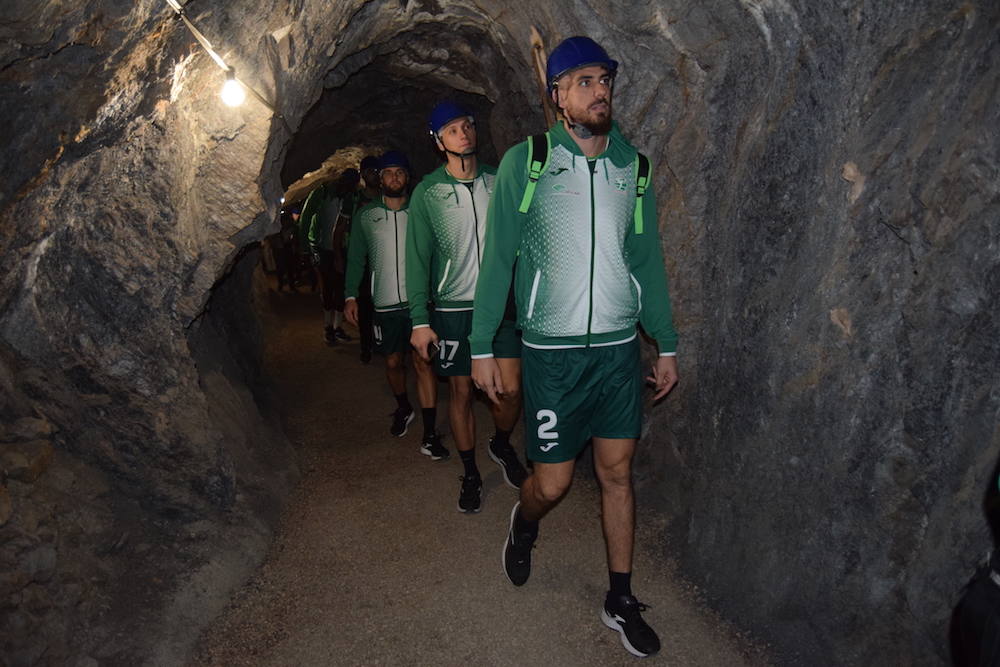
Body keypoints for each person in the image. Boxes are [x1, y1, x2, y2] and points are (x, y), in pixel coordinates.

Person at [469, 36, 680, 658]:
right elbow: (500, 255)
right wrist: (482, 343)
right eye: (583, 80)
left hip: (617, 352)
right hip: (553, 355)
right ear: (557, 95)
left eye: (605, 79)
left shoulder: (631, 168)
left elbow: (646, 260)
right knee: (553, 485)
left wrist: (664, 343)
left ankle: (620, 597)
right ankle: (523, 521)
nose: (599, 90)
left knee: (618, 475)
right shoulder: (528, 162)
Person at [407, 101, 528, 514]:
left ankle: (499, 441)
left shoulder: (499, 180)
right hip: (454, 309)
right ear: (439, 142)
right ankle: (470, 471)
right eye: (453, 130)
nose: (464, 133)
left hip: (500, 303)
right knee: (460, 391)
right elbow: (418, 258)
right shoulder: (428, 192)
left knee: (510, 389)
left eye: (467, 126)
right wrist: (420, 321)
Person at [344, 151, 446, 457]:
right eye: (388, 173)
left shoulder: (422, 211)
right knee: (392, 362)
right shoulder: (367, 216)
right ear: (380, 178)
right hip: (385, 304)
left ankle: (430, 433)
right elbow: (355, 258)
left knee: (423, 362)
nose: (394, 178)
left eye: (399, 172)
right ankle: (403, 405)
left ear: (408, 177)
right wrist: (350, 294)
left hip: (419, 305)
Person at [300, 170, 357, 345]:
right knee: (327, 288)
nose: (347, 188)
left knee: (340, 289)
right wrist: (305, 249)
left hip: (341, 248)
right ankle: (328, 327)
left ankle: (337, 327)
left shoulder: (349, 197)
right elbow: (306, 218)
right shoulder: (322, 192)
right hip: (322, 248)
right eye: (345, 184)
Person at [353, 155, 381, 364]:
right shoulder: (354, 199)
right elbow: (342, 229)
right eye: (369, 171)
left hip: (382, 259)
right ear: (363, 174)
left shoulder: (386, 196)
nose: (373, 175)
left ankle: (382, 342)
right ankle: (366, 345)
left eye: (376, 171)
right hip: (363, 260)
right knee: (365, 306)